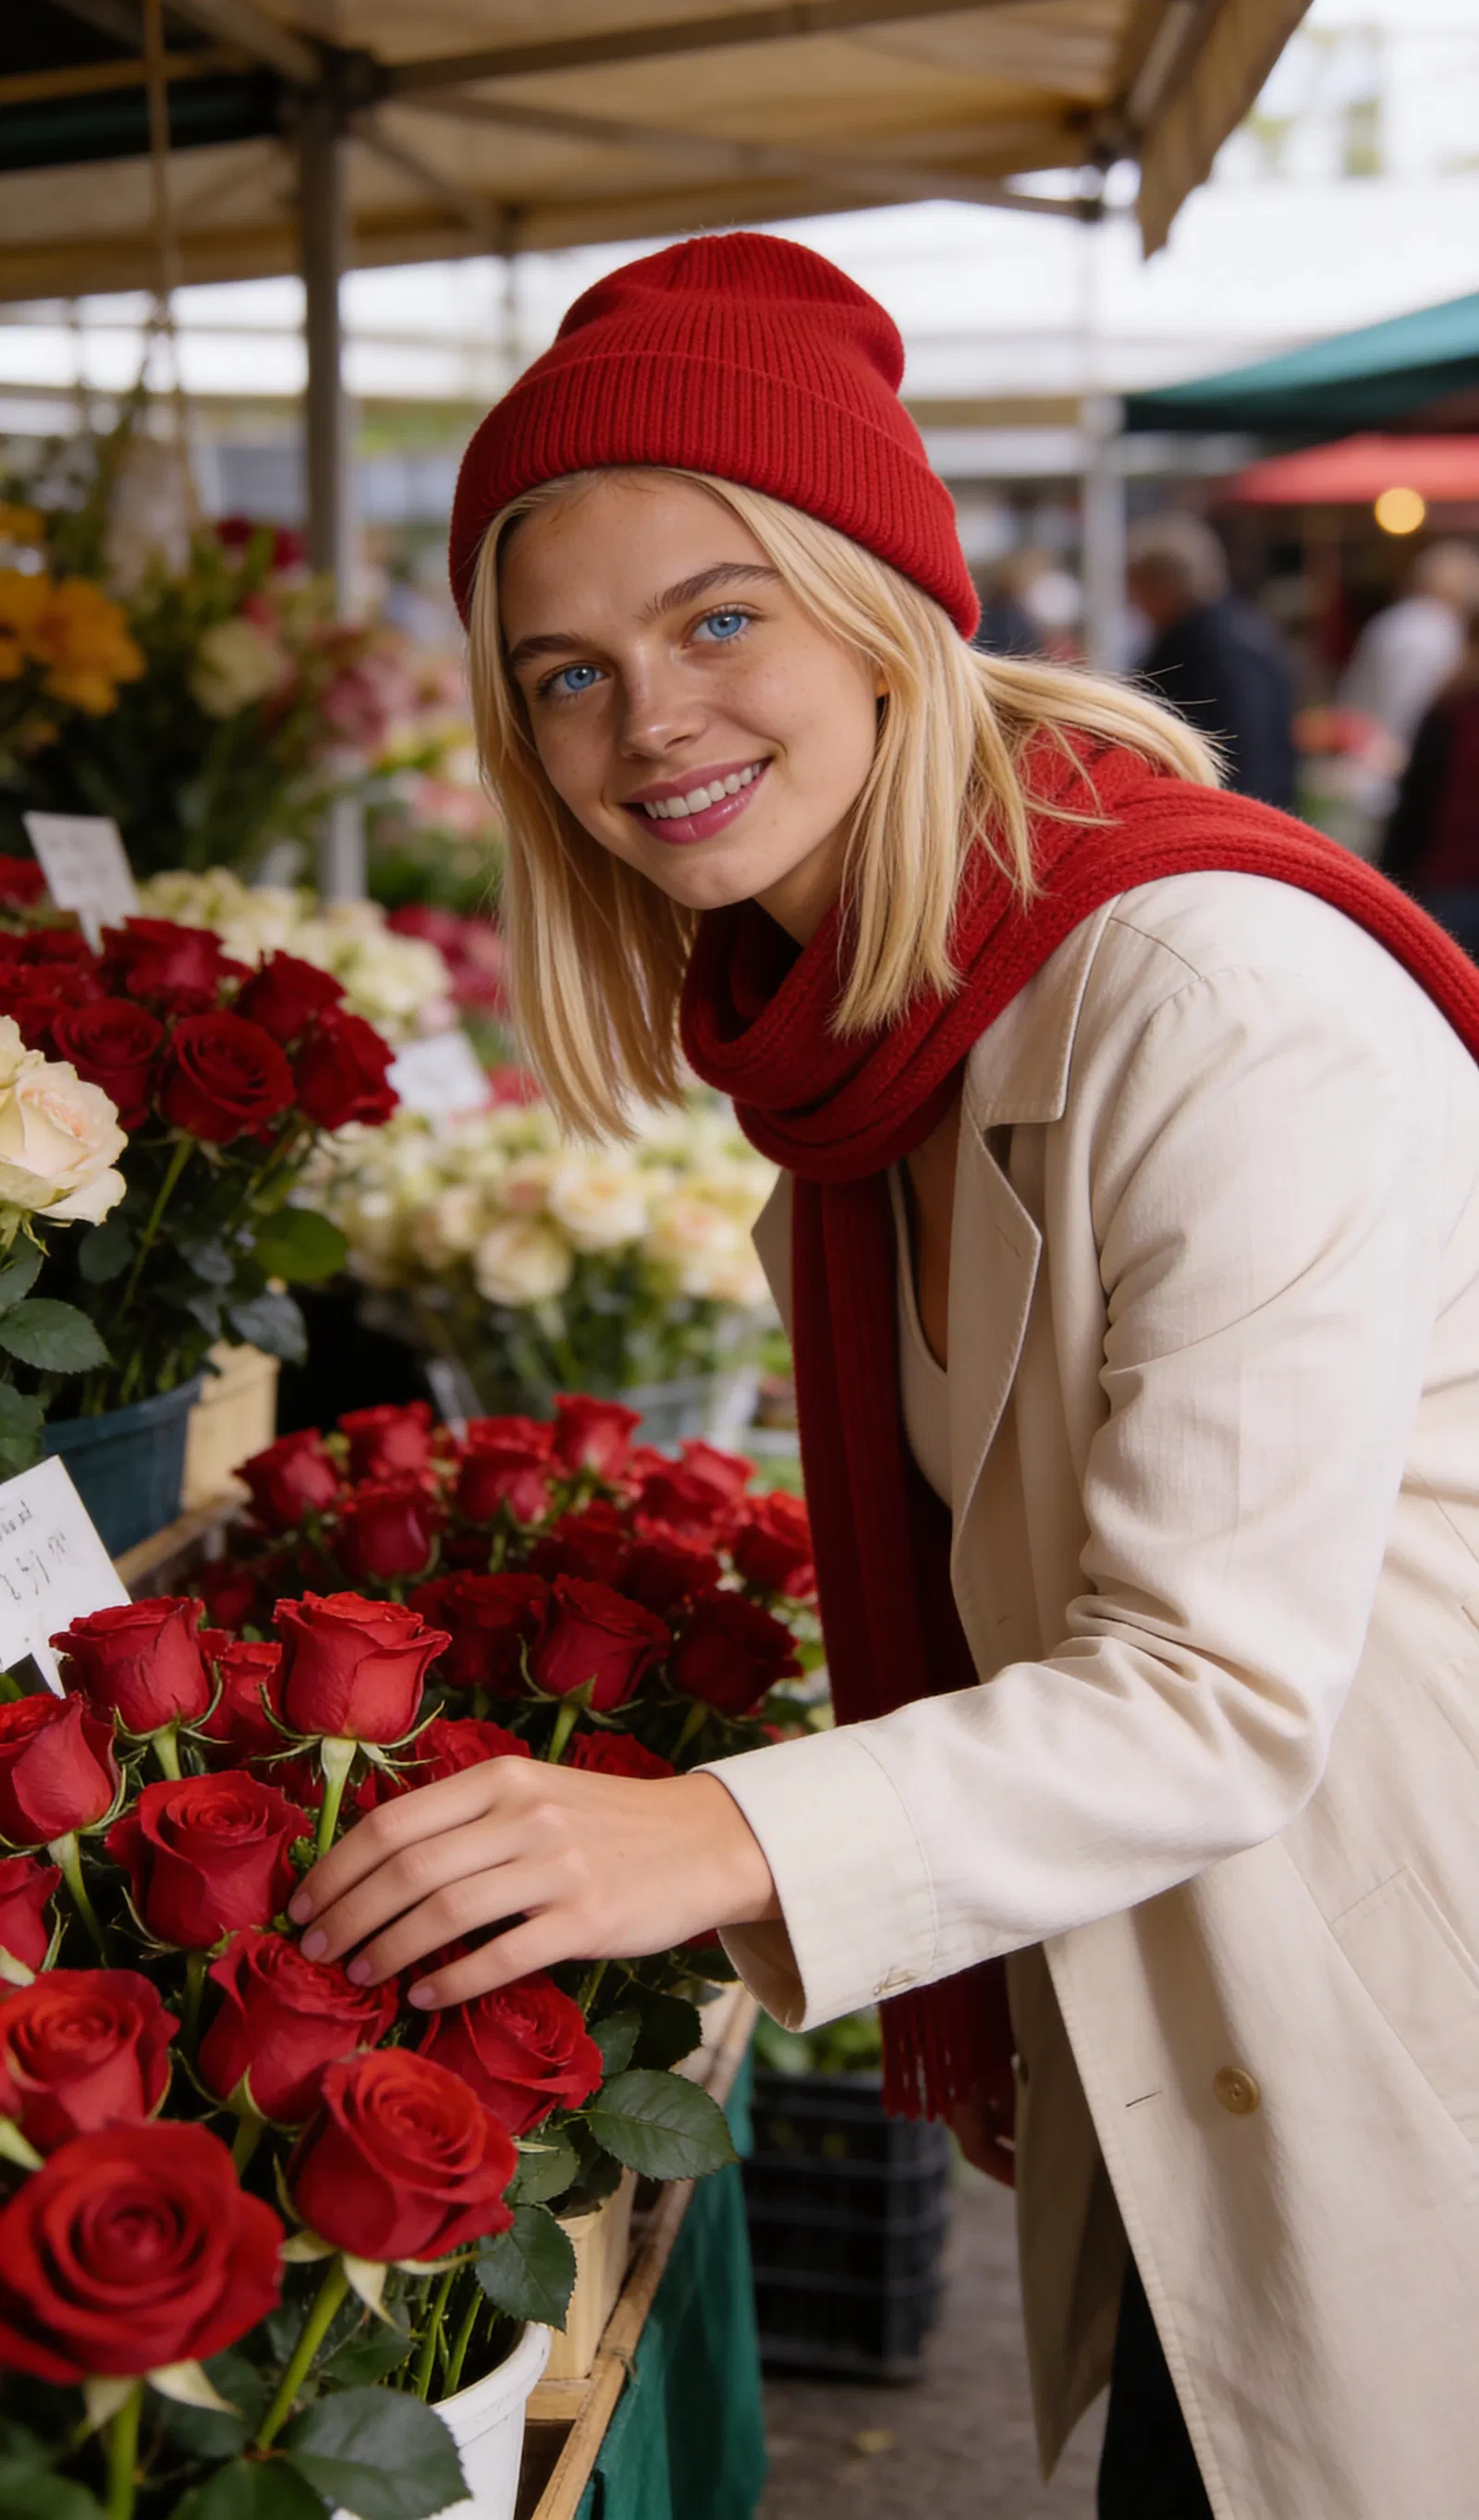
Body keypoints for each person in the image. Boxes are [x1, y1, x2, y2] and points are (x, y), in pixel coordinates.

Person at [290, 236, 1479, 2520]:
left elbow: (1205, 1689)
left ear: (881, 603)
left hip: (1391, 2003)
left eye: (715, 615)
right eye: (565, 669)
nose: (645, 720)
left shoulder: (1205, 993)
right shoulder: (877, 1041)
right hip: (1204, 2006)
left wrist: (696, 1833)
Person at [1127, 513, 1298, 809]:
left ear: (1160, 586)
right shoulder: (1229, 630)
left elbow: (1246, 754)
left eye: (1136, 589)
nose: (1133, 603)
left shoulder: (1216, 647)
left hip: (1230, 817)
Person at [1381, 605, 1479, 955]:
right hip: (1450, 882)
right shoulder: (1450, 711)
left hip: (1447, 882)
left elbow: (1414, 805)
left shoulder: (1450, 709)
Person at [1340, 538, 1479, 772]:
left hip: (1364, 749)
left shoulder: (1396, 619)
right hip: (1388, 761)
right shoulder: (1433, 630)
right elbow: (1410, 706)